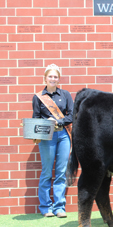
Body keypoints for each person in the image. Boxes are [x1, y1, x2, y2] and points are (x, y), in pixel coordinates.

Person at [32, 64, 73, 218]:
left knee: (61, 172)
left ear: (58, 79)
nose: (53, 79)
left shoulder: (66, 94)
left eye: (56, 77)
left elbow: (72, 115)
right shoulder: (38, 97)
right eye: (50, 76)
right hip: (47, 136)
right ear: (45, 78)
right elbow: (36, 118)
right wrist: (47, 121)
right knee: (47, 172)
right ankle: (45, 207)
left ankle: (59, 207)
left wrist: (59, 122)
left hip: (63, 135)